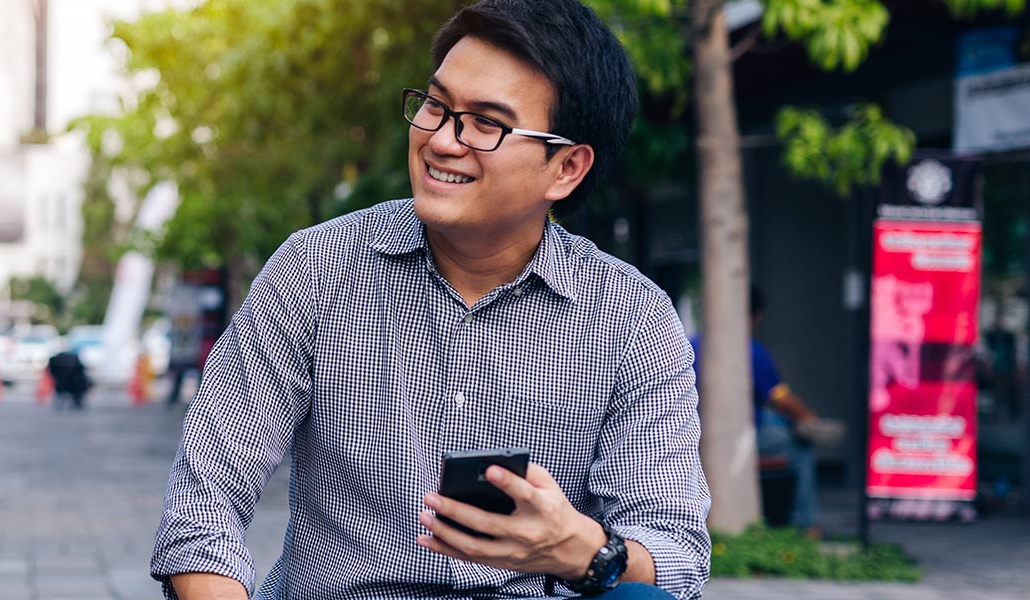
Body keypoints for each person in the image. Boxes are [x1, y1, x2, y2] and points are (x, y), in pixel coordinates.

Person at [150, 1, 709, 599]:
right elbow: (202, 505)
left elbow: (676, 554)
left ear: (566, 168)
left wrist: (583, 550)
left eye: (486, 123)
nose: (443, 140)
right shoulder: (317, 269)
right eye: (437, 107)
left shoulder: (632, 320)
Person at [691, 287, 823, 535]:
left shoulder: (692, 343)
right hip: (737, 437)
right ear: (754, 316)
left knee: (775, 421)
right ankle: (806, 524)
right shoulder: (748, 350)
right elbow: (780, 397)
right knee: (799, 447)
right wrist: (807, 416)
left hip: (694, 432)